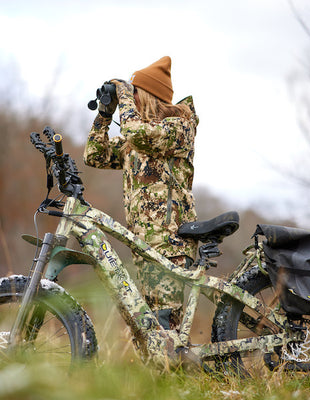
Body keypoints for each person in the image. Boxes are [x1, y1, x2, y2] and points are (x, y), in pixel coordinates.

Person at [83, 56, 199, 331]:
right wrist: (104, 113)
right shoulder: (136, 138)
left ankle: (178, 372)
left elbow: (136, 132)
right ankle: (163, 373)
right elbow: (93, 155)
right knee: (146, 330)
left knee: (164, 327)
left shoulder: (179, 127)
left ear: (147, 96)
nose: (131, 99)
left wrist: (123, 95)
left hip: (170, 242)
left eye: (135, 93)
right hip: (143, 242)